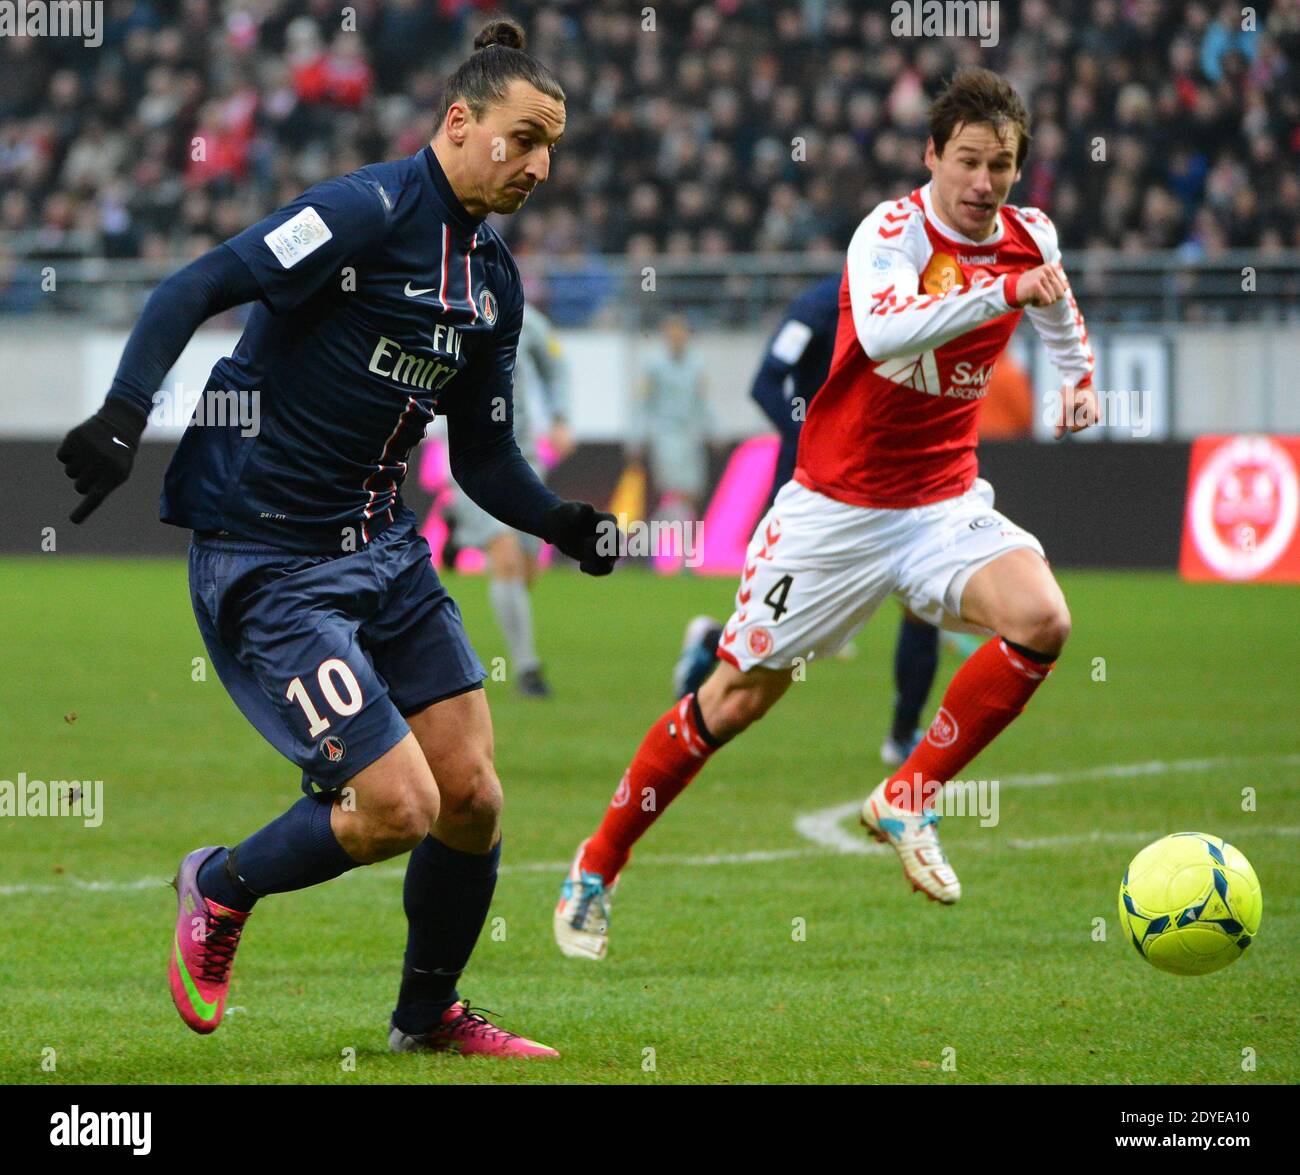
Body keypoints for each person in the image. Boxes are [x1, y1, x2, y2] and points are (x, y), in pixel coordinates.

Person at [57, 19, 617, 1055]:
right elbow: (197, 285)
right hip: (267, 556)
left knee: (471, 796)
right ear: (460, 122)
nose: (540, 165)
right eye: (524, 137)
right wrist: (124, 415)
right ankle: (218, 884)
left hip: (385, 552)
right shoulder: (364, 210)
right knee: (394, 804)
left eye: (553, 146)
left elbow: (485, 460)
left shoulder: (492, 283)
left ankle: (426, 1017)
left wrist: (561, 521)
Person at [556, 66, 1096, 960]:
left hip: (941, 503)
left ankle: (907, 794)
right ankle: (597, 864)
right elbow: (887, 333)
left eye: (1000, 165)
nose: (982, 183)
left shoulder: (1027, 234)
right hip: (833, 515)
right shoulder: (887, 234)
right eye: (966, 160)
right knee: (732, 701)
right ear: (930, 155)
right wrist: (1004, 294)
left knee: (1044, 619)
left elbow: (1058, 300)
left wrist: (1077, 379)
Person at [671, 273, 967, 766]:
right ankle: (709, 641)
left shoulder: (909, 305)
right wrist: (811, 432)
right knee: (777, 625)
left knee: (922, 602)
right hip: (811, 485)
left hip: (893, 480)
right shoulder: (817, 306)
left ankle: (903, 734)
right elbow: (765, 384)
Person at [444, 302, 574, 698]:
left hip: (522, 455)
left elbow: (556, 365)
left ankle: (454, 519)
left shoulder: (527, 318)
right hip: (469, 453)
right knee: (506, 558)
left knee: (529, 567)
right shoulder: (444, 307)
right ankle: (527, 669)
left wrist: (560, 417)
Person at [626, 314, 712, 541]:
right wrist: (636, 437)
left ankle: (677, 550)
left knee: (691, 495)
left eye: (680, 333)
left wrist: (714, 429)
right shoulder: (654, 365)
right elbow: (642, 403)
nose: (677, 338)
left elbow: (702, 401)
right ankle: (647, 543)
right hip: (665, 434)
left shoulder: (696, 364)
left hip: (690, 436)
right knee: (674, 493)